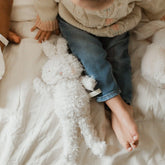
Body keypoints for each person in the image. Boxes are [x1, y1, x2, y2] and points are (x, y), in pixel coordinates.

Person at [32, 0, 141, 152]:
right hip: (76, 24)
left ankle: (123, 106)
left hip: (118, 23)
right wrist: (47, 17)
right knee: (91, 58)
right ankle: (118, 105)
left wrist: (159, 12)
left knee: (119, 59)